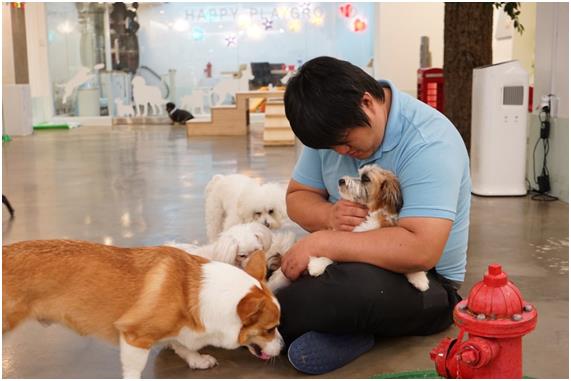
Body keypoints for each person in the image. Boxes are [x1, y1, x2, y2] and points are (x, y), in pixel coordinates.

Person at [276, 56, 471, 375]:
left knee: (304, 301)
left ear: (366, 103)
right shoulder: (330, 129)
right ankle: (350, 332)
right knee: (273, 283)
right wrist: (328, 215)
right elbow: (297, 198)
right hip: (348, 265)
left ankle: (309, 323)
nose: (339, 153)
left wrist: (325, 241)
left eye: (345, 142)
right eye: (330, 146)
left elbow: (420, 250)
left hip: (425, 282)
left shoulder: (429, 142)